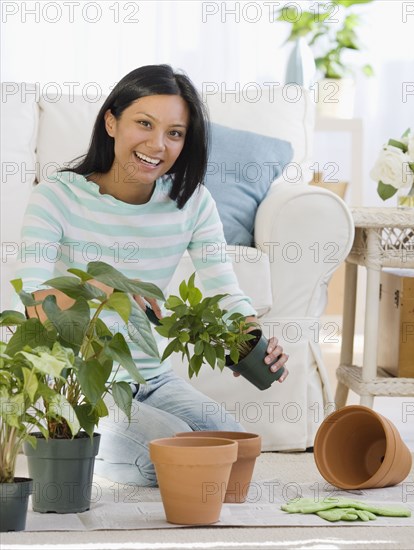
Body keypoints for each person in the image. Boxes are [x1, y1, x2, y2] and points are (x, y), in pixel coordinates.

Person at [19, 64, 289, 486]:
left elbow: (225, 290)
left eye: (175, 133)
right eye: (144, 123)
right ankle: (74, 448)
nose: (157, 144)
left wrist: (250, 337)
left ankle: (102, 448)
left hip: (152, 376)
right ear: (111, 121)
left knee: (231, 446)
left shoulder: (192, 203)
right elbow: (33, 305)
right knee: (171, 456)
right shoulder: (57, 196)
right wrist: (101, 286)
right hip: (80, 384)